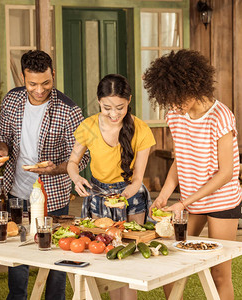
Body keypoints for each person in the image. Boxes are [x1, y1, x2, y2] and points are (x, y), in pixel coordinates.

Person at [143, 49, 242, 300]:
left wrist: (184, 203)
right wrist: (164, 196)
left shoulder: (221, 116)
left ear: (194, 85)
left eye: (179, 98)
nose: (175, 105)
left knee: (219, 273)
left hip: (222, 201)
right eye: (170, 100)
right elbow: (180, 159)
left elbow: (226, 173)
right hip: (189, 202)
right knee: (171, 265)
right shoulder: (175, 115)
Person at [0, 50, 89, 300]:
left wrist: (54, 168)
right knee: (17, 254)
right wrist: (1, 151)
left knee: (55, 256)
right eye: (32, 84)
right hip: (17, 191)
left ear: (53, 74)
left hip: (53, 196)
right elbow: (2, 135)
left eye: (46, 83)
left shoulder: (69, 110)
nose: (39, 90)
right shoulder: (12, 100)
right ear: (23, 77)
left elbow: (83, 157)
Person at [67, 74, 156, 300]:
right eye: (107, 108)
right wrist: (76, 178)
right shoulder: (88, 126)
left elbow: (137, 179)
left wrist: (128, 192)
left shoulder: (141, 129)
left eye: (120, 107)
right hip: (97, 195)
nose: (114, 114)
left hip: (131, 196)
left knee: (129, 255)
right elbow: (72, 163)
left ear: (129, 101)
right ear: (99, 102)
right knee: (102, 257)